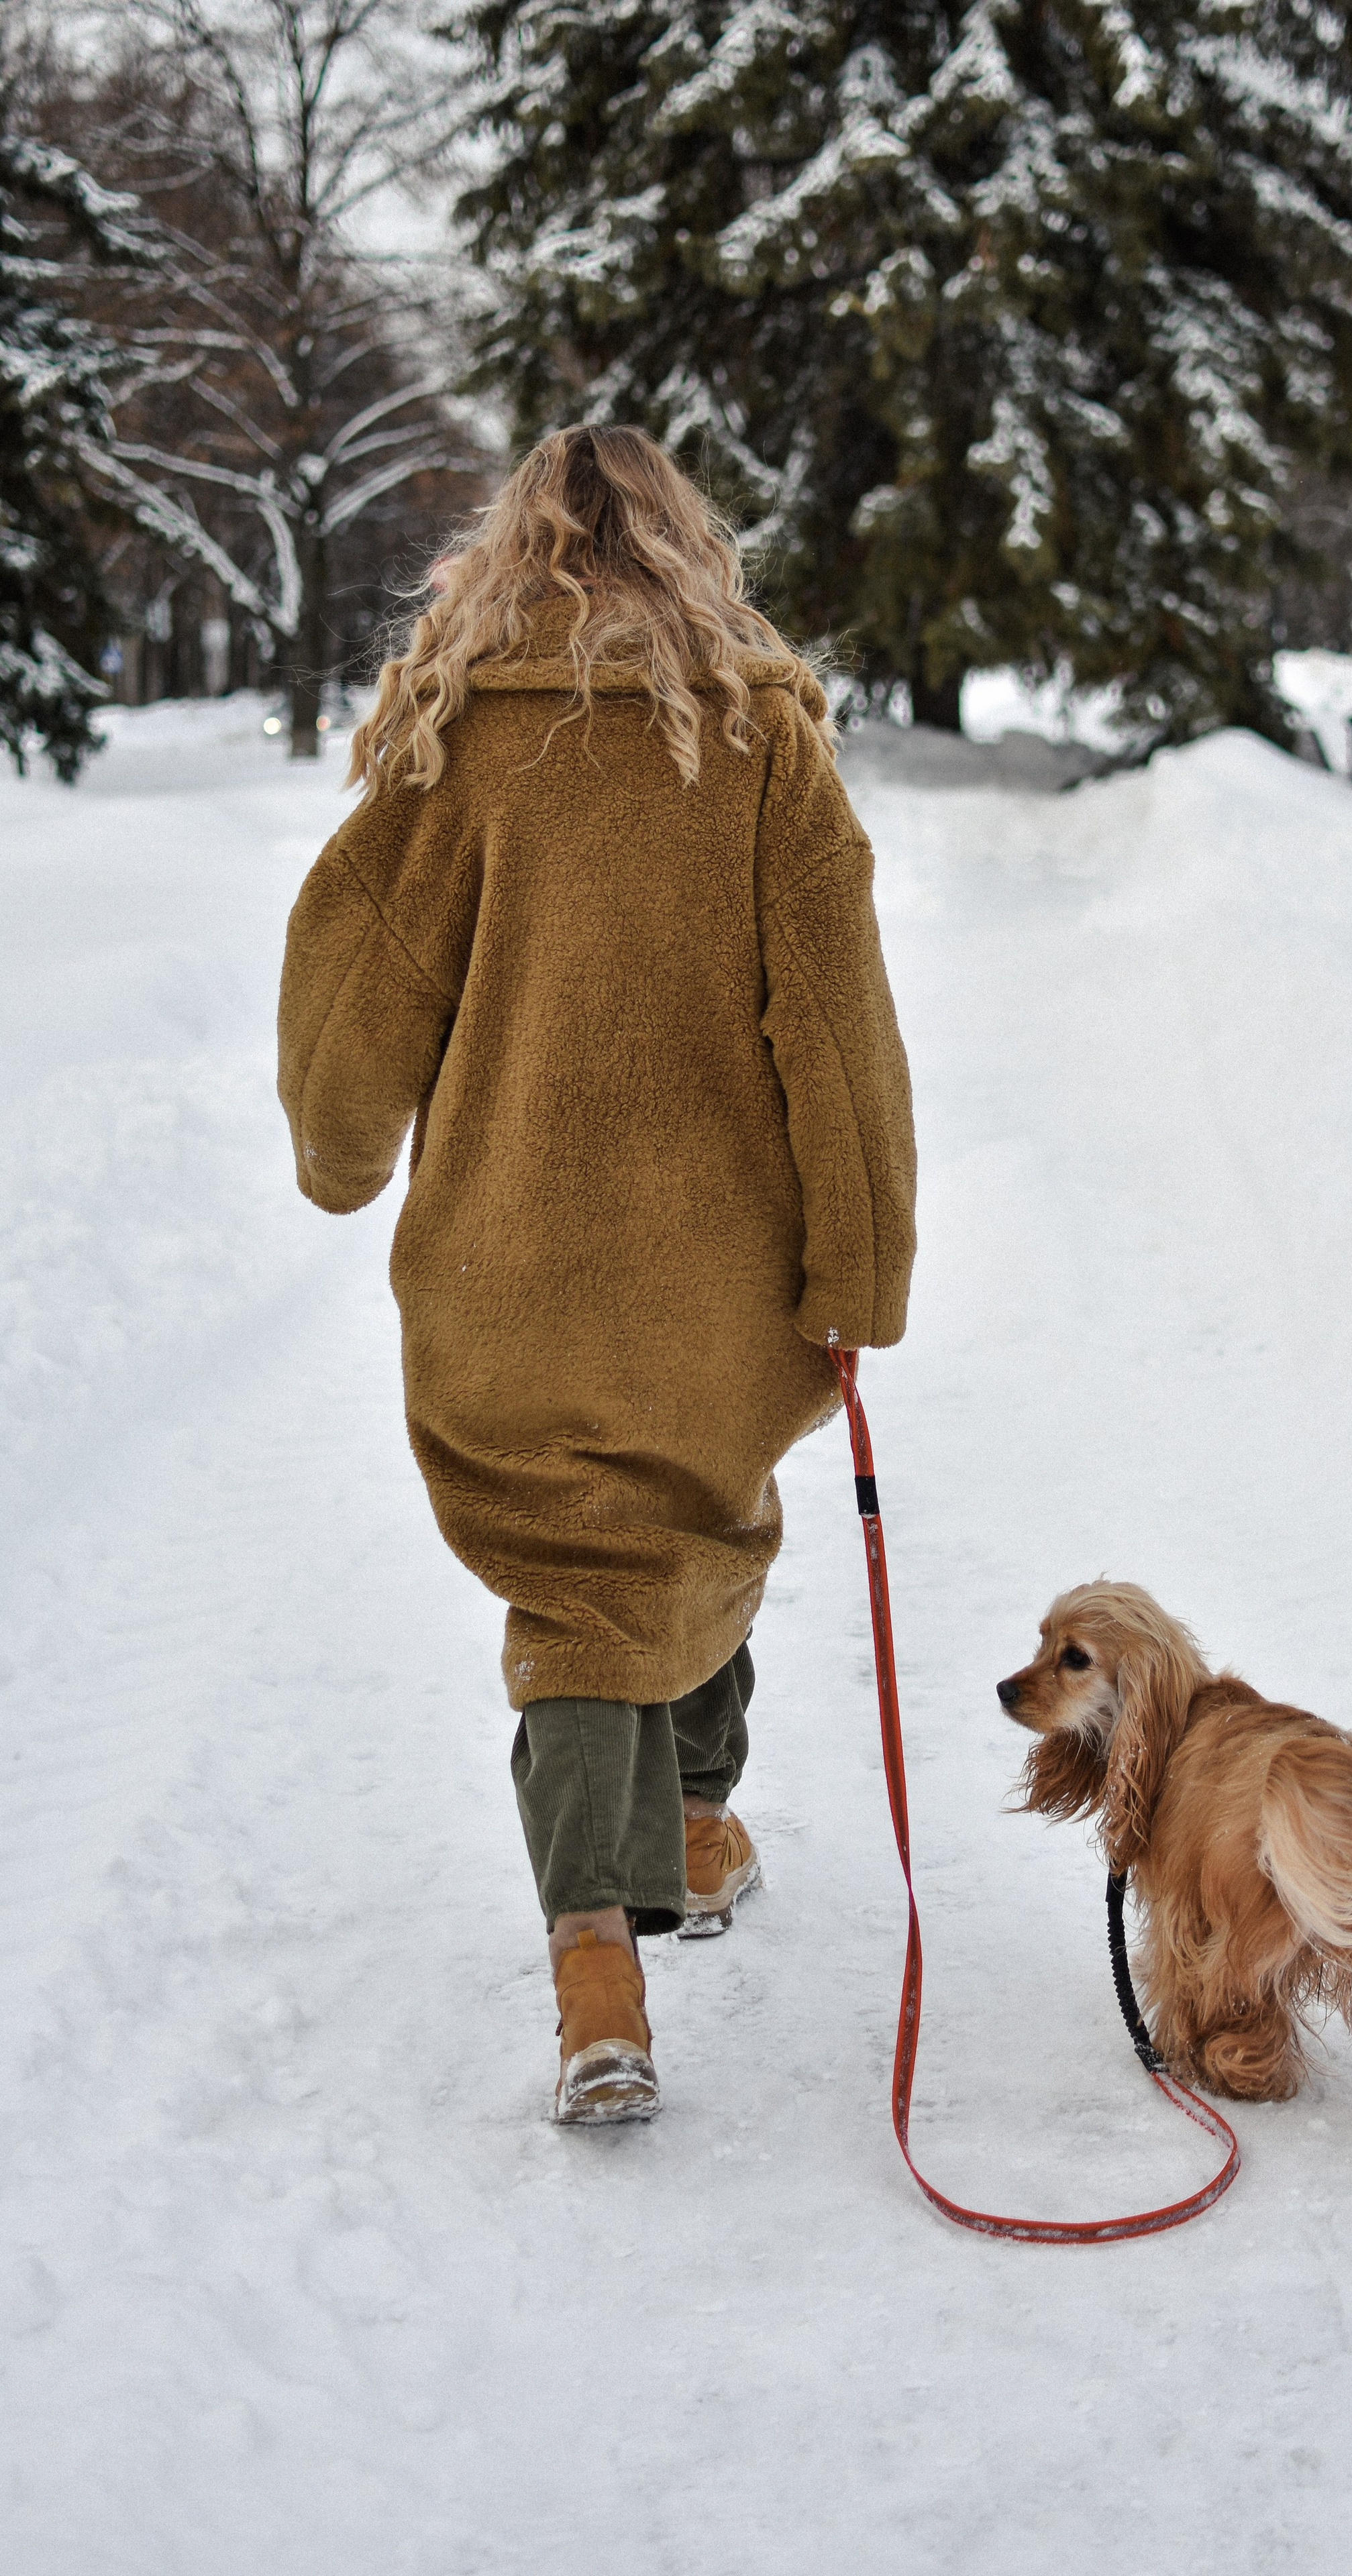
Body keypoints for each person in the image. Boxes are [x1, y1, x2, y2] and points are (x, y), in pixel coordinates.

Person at [276, 426, 916, 2125]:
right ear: (688, 545)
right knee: (696, 1511)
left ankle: (603, 1971)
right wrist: (859, 1263)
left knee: (574, 1584)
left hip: (504, 1264)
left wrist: (340, 1158)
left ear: (511, 553)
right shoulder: (766, 738)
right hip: (718, 1274)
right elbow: (839, 1033)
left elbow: (354, 993)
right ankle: (692, 1832)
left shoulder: (450, 739)